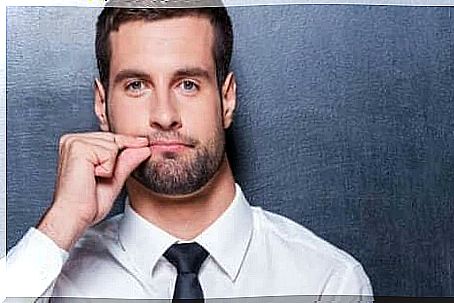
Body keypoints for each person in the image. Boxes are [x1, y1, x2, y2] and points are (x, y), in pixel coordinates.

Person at [5, 0, 373, 301]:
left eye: (188, 84)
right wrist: (60, 224)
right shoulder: (51, 283)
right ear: (102, 105)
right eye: (136, 85)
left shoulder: (327, 283)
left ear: (227, 99)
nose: (165, 116)